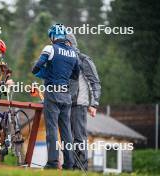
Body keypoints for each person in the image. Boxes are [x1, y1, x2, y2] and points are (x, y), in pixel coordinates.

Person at [32, 24, 80, 169]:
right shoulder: (73, 52)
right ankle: (69, 164)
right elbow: (75, 75)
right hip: (66, 95)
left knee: (52, 129)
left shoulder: (50, 48)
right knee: (66, 131)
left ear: (53, 36)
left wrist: (47, 72)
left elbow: (36, 68)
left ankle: (52, 163)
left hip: (52, 93)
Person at [66, 34, 101, 170]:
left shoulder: (84, 59)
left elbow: (95, 82)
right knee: (67, 138)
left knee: (79, 137)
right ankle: (70, 168)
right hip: (65, 104)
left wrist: (94, 103)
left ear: (69, 43)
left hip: (80, 104)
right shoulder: (64, 60)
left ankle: (81, 169)